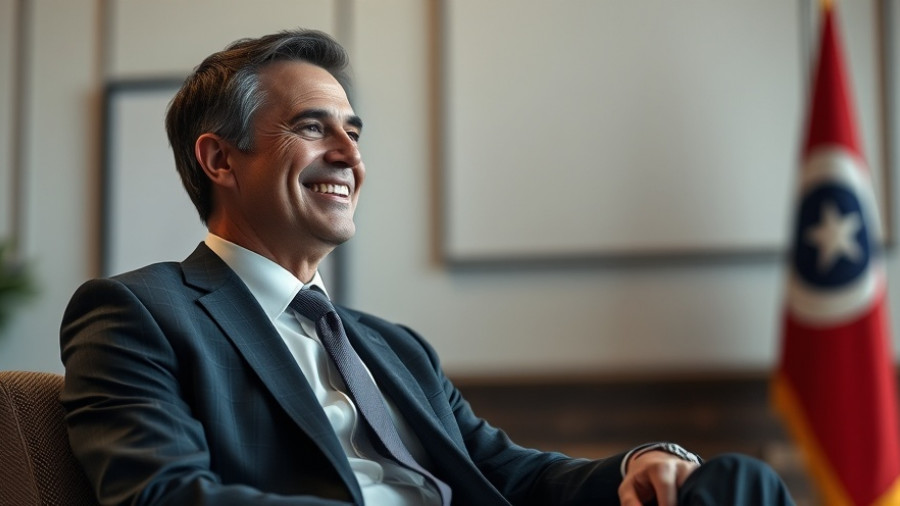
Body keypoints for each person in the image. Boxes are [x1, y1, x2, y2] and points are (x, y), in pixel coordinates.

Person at [60, 29, 794, 505]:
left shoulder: (394, 347)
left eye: (354, 133)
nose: (350, 157)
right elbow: (164, 497)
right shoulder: (138, 313)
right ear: (220, 158)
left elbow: (508, 473)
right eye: (313, 128)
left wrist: (639, 468)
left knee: (734, 486)